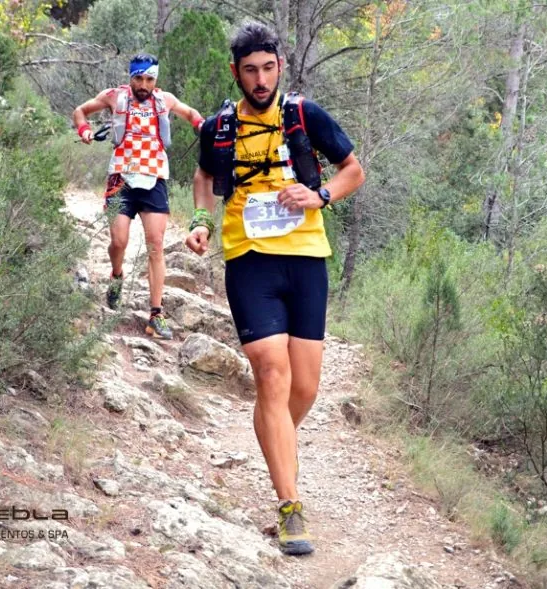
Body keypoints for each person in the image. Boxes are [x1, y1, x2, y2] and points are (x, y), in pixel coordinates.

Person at [185, 22, 365, 555]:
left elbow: (353, 170)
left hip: (307, 258)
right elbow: (202, 178)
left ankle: (273, 436)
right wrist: (200, 219)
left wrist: (321, 196)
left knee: (302, 389)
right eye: (250, 71)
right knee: (271, 371)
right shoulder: (218, 126)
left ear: (280, 66)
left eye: (268, 69)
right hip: (249, 259)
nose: (260, 80)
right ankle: (290, 507)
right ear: (235, 72)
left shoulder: (306, 116)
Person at [73, 54, 205, 340]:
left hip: (154, 178)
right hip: (120, 177)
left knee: (155, 244)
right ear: (130, 77)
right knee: (118, 241)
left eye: (149, 79)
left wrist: (203, 126)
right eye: (138, 78)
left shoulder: (164, 100)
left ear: (155, 79)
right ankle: (117, 275)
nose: (144, 85)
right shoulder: (114, 97)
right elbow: (80, 111)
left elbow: (192, 114)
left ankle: (156, 314)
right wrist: (84, 130)